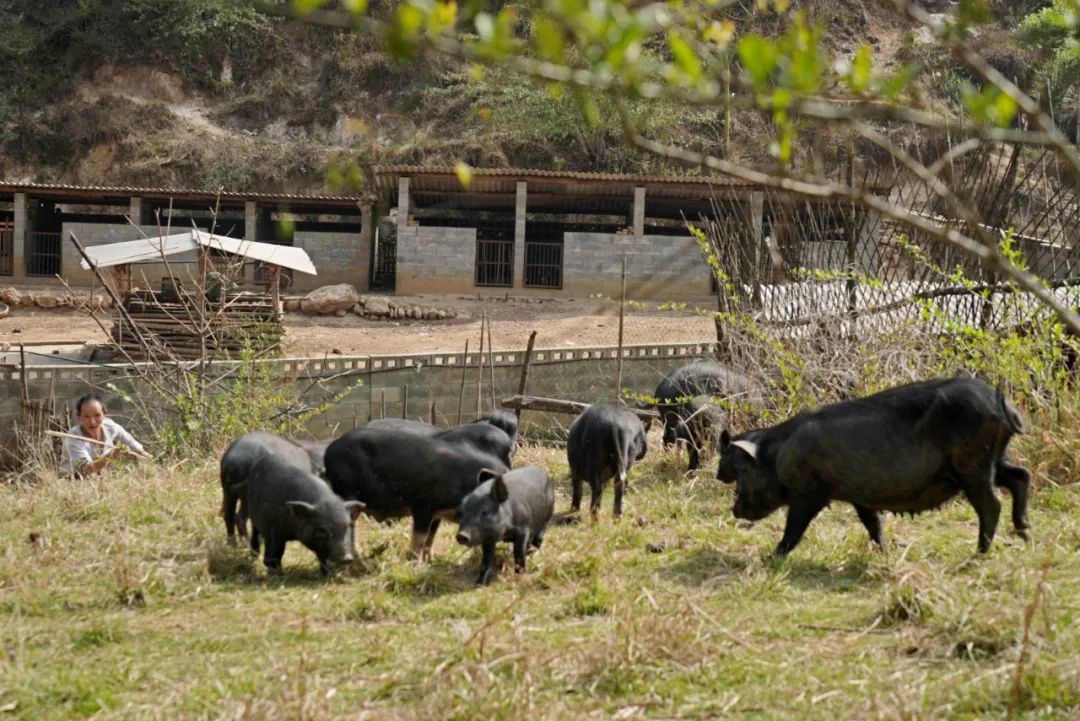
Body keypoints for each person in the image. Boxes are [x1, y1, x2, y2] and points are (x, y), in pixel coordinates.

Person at [59, 394, 151, 476]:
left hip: (103, 479)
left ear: (105, 414)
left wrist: (146, 456)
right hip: (75, 481)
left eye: (97, 415)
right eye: (86, 416)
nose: (92, 421)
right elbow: (87, 469)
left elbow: (132, 443)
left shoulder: (110, 426)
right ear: (79, 417)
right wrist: (111, 456)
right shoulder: (73, 438)